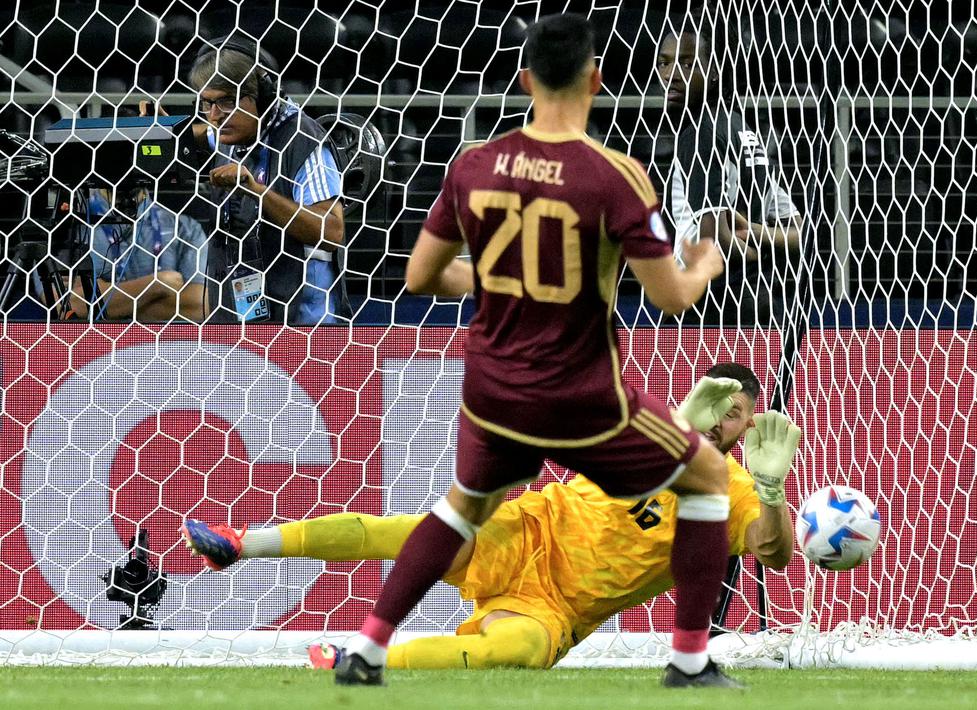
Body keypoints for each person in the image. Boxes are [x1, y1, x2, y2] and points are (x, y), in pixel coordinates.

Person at [326, 13, 737, 689]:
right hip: (584, 401)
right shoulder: (617, 176)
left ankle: (369, 649)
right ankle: (689, 661)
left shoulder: (474, 166)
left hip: (493, 395)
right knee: (708, 481)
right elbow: (669, 299)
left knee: (461, 507)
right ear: (595, 79)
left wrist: (491, 277)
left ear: (524, 79)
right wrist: (705, 263)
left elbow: (420, 278)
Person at [181, 365, 802, 671]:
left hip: (561, 606)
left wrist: (772, 489)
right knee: (410, 531)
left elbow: (771, 553)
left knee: (522, 650)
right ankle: (244, 542)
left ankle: (360, 662)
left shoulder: (739, 489)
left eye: (738, 410)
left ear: (751, 424)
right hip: (525, 530)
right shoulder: (642, 427)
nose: (724, 417)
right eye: (716, 400)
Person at [188, 36, 350, 325]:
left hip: (304, 328)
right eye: (206, 103)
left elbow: (332, 232)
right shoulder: (230, 131)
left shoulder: (303, 141)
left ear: (264, 95)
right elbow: (202, 134)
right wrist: (163, 132)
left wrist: (256, 190)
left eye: (226, 101)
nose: (214, 116)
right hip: (244, 321)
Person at [653, 24, 804, 325]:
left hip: (709, 303)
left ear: (714, 71)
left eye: (686, 62)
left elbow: (712, 243)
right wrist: (756, 234)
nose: (671, 74)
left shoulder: (700, 134)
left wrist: (746, 247)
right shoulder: (742, 129)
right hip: (757, 297)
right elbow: (800, 232)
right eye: (664, 62)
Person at [69, 188, 210, 322]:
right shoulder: (74, 225)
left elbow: (199, 307)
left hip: (161, 344)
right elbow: (63, 301)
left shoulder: (184, 229)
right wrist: (158, 284)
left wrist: (112, 300)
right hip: (96, 342)